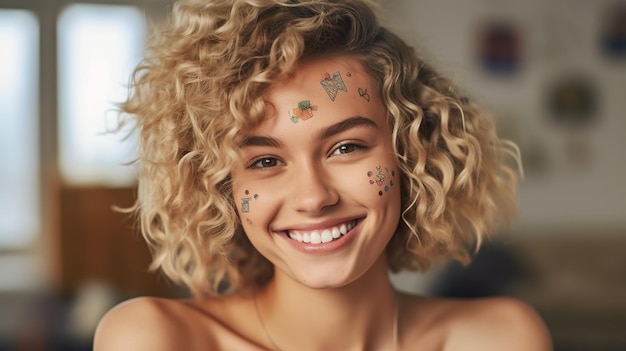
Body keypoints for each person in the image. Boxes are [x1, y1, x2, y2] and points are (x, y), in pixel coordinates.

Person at [94, 0, 552, 350]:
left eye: (346, 147)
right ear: (220, 185)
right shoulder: (158, 339)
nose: (313, 198)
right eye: (266, 161)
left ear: (412, 154)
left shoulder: (497, 338)